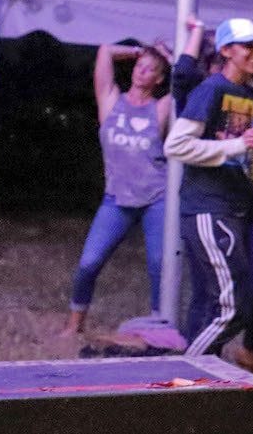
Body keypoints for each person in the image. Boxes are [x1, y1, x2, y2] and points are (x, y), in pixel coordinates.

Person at [163, 18, 253, 377]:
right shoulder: (211, 90)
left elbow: (249, 161)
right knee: (229, 307)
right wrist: (238, 144)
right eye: (248, 45)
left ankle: (200, 379)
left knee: (240, 300)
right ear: (226, 51)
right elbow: (175, 144)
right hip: (209, 207)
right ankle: (180, 377)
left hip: (242, 206)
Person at [62, 40, 173, 337]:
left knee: (160, 264)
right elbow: (105, 51)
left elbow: (187, 86)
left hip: (155, 199)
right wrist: (141, 50)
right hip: (116, 199)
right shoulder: (111, 101)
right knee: (89, 262)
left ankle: (160, 326)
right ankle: (75, 324)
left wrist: (168, 56)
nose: (142, 72)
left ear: (159, 79)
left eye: (151, 70)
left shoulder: (161, 108)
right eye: (140, 66)